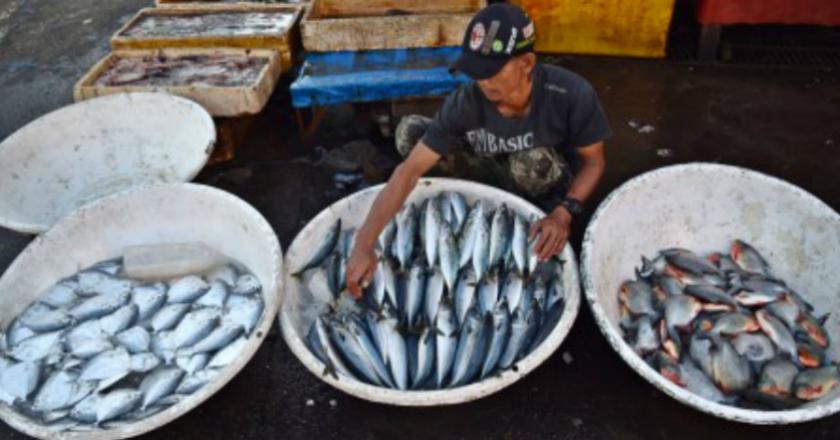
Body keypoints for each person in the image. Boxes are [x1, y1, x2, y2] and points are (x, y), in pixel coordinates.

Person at [346, 3, 611, 297]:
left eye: (492, 71)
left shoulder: (571, 94)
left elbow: (594, 162)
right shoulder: (467, 101)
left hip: (541, 181)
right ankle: (479, 205)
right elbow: (408, 171)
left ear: (527, 63)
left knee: (531, 162)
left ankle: (535, 212)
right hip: (489, 166)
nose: (483, 81)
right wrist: (363, 244)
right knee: (410, 134)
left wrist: (565, 212)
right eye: (475, 71)